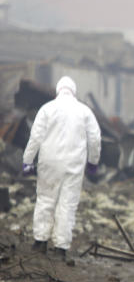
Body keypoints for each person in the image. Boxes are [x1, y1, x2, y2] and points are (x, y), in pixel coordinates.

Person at [21, 76, 101, 260]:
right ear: (74, 91)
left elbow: (35, 137)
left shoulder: (47, 109)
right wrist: (93, 162)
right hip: (74, 165)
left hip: (48, 163)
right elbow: (95, 139)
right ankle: (60, 248)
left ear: (58, 90)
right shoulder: (85, 111)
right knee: (67, 204)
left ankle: (40, 242)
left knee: (45, 200)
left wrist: (28, 160)